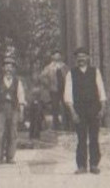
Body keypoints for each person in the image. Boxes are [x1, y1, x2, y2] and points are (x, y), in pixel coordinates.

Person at [64, 47, 106, 175]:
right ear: (76, 59)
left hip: (94, 108)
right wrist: (73, 112)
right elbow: (68, 95)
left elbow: (101, 91)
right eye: (78, 57)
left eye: (83, 56)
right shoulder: (71, 73)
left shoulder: (95, 72)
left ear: (88, 58)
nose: (81, 59)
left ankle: (94, 164)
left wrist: (102, 108)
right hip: (79, 110)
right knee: (81, 138)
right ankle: (81, 165)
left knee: (94, 137)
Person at [0, 57, 26, 164]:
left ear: (14, 69)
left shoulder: (18, 82)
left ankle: (10, 157)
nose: (8, 69)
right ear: (3, 68)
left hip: (13, 109)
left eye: (11, 67)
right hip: (0, 110)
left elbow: (21, 97)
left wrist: (21, 112)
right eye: (6, 66)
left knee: (13, 133)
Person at [40, 50, 69, 130]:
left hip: (64, 89)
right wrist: (48, 84)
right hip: (54, 89)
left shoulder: (64, 66)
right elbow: (42, 77)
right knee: (55, 107)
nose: (57, 57)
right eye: (55, 55)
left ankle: (66, 124)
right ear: (52, 57)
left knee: (66, 106)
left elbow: (68, 75)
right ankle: (56, 125)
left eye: (58, 55)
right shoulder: (49, 67)